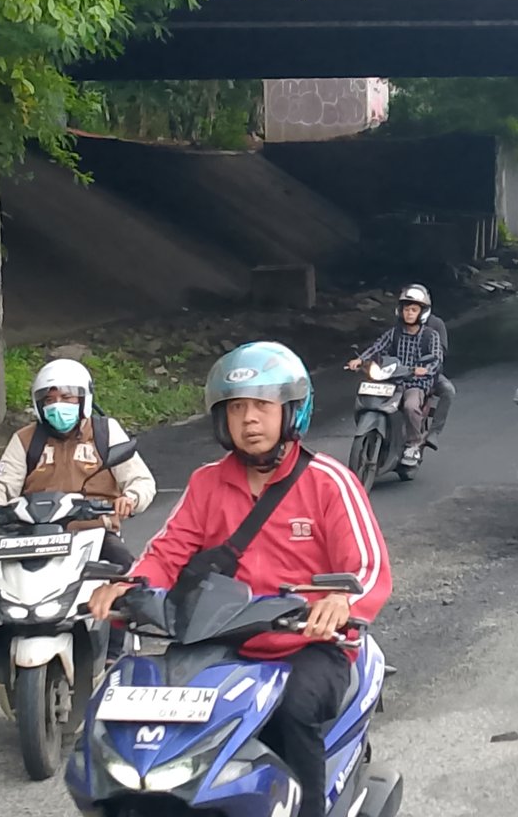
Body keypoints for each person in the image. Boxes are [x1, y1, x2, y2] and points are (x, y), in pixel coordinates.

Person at [88, 343, 390, 817]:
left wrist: (340, 603)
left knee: (293, 710)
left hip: (306, 645)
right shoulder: (207, 483)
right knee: (149, 721)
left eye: (262, 405)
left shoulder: (329, 482)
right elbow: (167, 553)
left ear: (291, 411)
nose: (249, 419)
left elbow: (368, 567)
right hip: (218, 638)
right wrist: (128, 587)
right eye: (236, 408)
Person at [0, 358, 155, 571]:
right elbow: (2, 483)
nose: (57, 405)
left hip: (92, 532)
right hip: (33, 537)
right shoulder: (25, 438)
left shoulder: (105, 432)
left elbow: (140, 480)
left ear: (83, 399)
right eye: (49, 400)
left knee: (128, 572)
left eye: (66, 397)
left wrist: (130, 498)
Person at [348, 284, 444, 467]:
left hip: (415, 383)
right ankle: (374, 430)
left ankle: (413, 444)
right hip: (391, 381)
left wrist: (424, 370)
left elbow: (436, 359)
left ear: (422, 313)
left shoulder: (430, 336)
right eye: (406, 309)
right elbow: (378, 347)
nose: (409, 313)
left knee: (410, 406)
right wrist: (360, 360)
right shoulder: (394, 333)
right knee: (367, 397)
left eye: (414, 310)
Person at [421, 288, 457, 437]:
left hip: (427, 372)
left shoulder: (435, 324)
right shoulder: (399, 325)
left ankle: (434, 432)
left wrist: (429, 365)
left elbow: (441, 351)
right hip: (401, 372)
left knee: (448, 391)